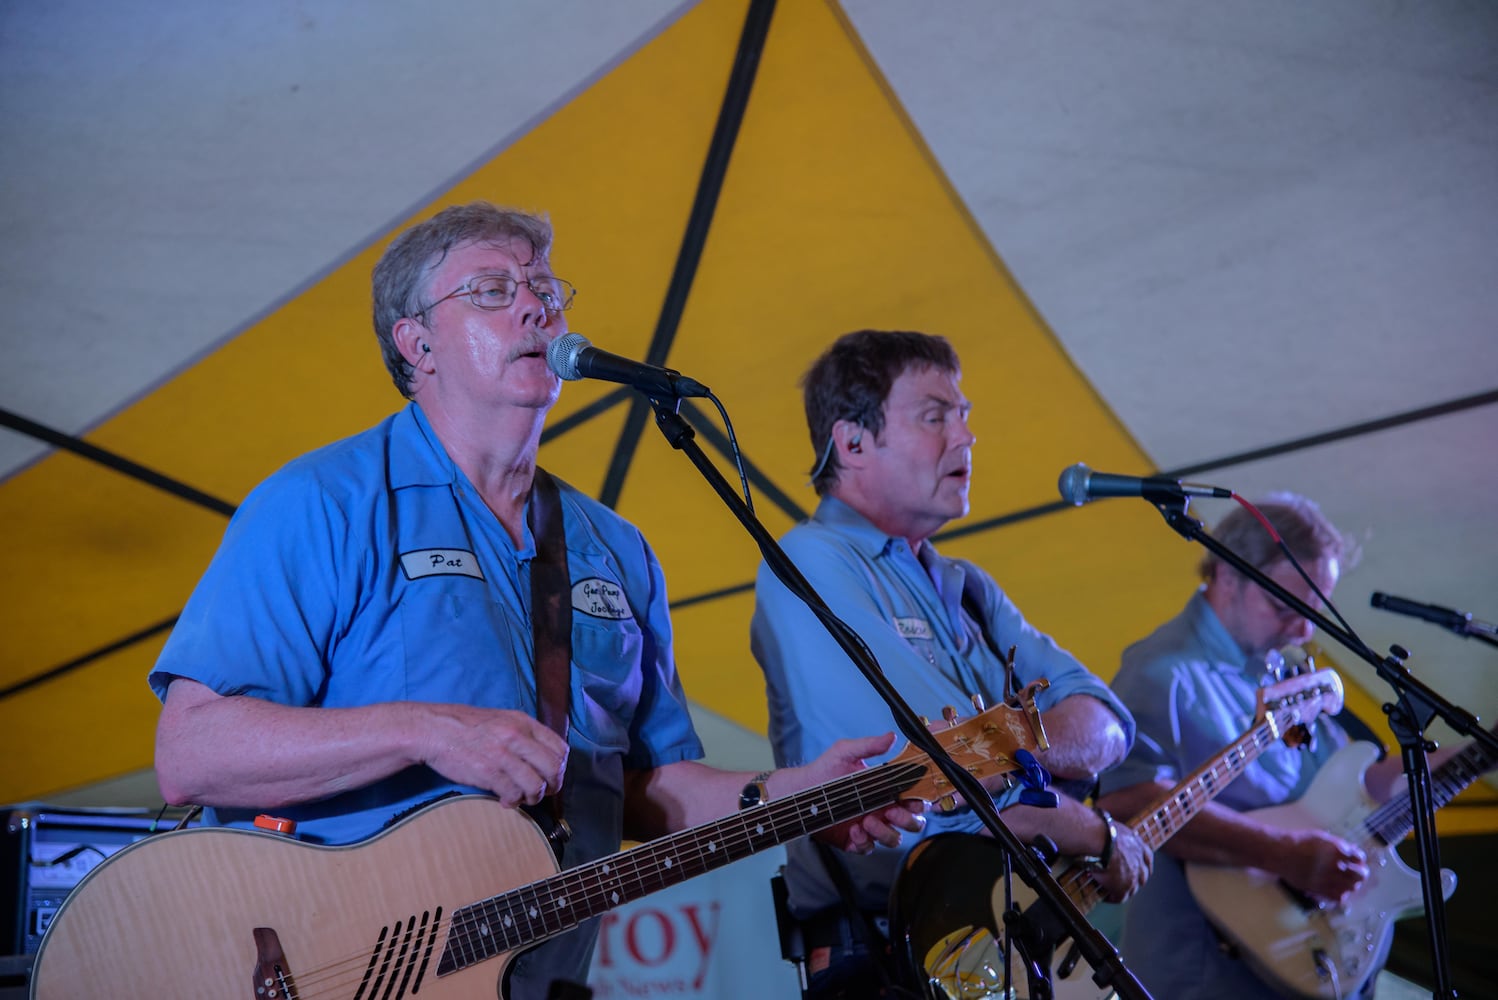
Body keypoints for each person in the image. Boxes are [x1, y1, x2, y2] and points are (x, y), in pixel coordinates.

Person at [149, 203, 921, 1000]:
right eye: (491, 288)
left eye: (545, 288)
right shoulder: (321, 503)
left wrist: (787, 799)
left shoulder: (616, 550)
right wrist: (424, 729)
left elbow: (642, 789)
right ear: (416, 345)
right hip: (324, 973)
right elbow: (191, 754)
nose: (534, 306)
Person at [751, 329, 1153, 998]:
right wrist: (1085, 826)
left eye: (963, 416)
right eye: (935, 416)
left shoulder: (968, 586)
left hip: (1006, 943)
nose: (966, 437)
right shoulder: (810, 560)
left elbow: (1108, 722)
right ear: (851, 443)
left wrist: (1011, 751)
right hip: (885, 961)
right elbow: (928, 773)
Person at [1095, 493, 1423, 999]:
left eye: (1314, 611)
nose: (1305, 630)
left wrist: (1472, 755)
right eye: (1285, 606)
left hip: (1296, 963)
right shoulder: (1163, 671)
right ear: (1228, 575)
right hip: (1201, 972)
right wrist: (1286, 855)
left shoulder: (1281, 673)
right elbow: (1128, 803)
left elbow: (1355, 782)